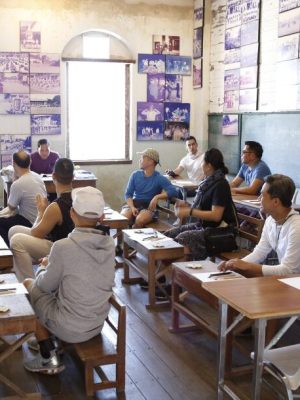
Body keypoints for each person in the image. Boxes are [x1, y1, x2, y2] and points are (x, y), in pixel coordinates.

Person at [22, 186, 115, 374]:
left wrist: (44, 266)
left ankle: (48, 356)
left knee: (28, 285)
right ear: (102, 218)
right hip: (96, 324)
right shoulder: (109, 243)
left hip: (71, 328)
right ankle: (47, 335)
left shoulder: (63, 247)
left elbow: (44, 286)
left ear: (72, 214)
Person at [219, 174, 300, 277]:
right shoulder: (270, 220)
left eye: (262, 195)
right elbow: (260, 252)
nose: (259, 199)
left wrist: (248, 267)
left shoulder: (297, 226)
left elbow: (289, 270)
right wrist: (234, 264)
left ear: (276, 201)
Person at [164, 148, 238, 260]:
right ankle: (166, 274)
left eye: (203, 162)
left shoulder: (221, 185)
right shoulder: (207, 182)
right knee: (169, 234)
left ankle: (173, 274)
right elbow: (201, 208)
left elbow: (216, 216)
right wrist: (185, 205)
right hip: (206, 227)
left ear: (209, 166)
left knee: (184, 238)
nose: (201, 165)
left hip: (223, 232)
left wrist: (190, 211)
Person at [9, 158, 75, 281]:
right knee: (13, 230)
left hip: (59, 248)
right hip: (68, 242)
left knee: (16, 240)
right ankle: (23, 267)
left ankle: (30, 285)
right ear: (73, 177)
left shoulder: (56, 206)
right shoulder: (78, 197)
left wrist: (41, 211)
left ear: (53, 176)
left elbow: (36, 233)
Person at [121, 148, 178, 228]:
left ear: (151, 161)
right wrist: (132, 207)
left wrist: (157, 197)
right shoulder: (135, 175)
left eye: (142, 158)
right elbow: (128, 194)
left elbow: (173, 191)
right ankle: (125, 238)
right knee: (123, 219)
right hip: (134, 203)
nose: (139, 160)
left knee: (140, 220)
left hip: (149, 207)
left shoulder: (159, 178)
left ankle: (134, 236)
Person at [0, 150, 47, 246]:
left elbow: (11, 207)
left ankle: (10, 250)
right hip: (41, 220)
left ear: (13, 163)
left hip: (29, 222)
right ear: (30, 161)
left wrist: (14, 180)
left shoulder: (18, 183)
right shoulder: (37, 177)